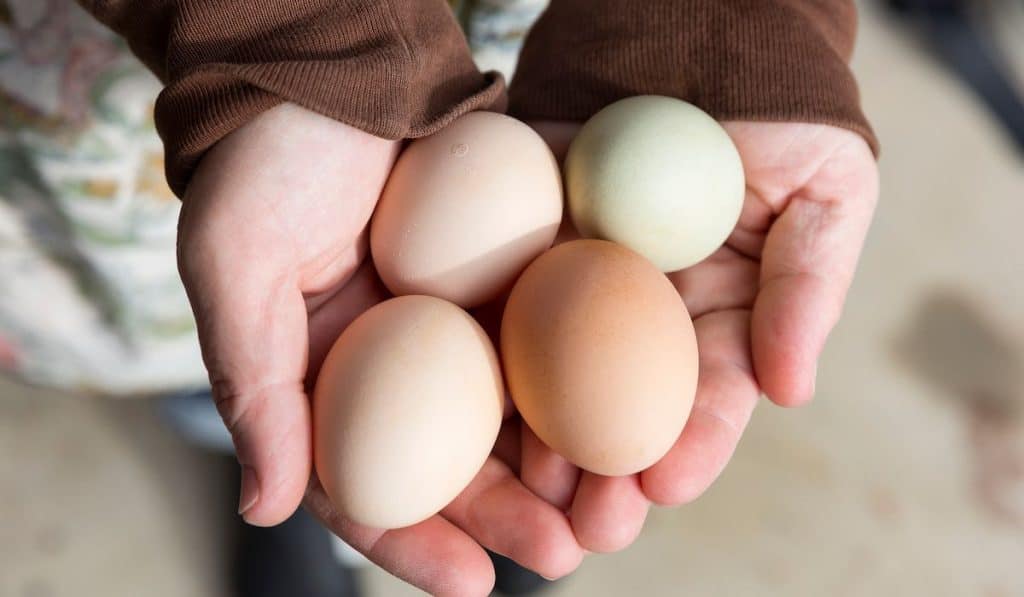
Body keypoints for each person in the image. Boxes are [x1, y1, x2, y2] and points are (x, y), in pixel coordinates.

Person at [36, 1, 880, 595]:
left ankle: (410, 445)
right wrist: (293, 35)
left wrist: (716, 21)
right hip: (167, 74)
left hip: (536, 63)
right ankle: (264, 456)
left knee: (302, 345)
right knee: (241, 339)